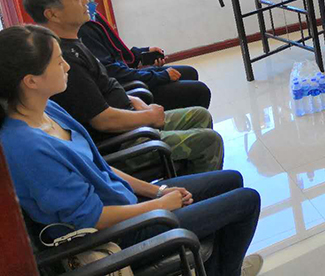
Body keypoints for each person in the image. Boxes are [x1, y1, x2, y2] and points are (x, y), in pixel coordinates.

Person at [0, 25, 263, 276]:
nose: (67, 66)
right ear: (31, 81)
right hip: (117, 233)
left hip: (125, 202)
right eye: (59, 62)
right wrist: (159, 206)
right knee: (247, 201)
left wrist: (157, 191)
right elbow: (91, 218)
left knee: (231, 180)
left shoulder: (47, 109)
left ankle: (216, 268)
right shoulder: (26, 148)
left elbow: (99, 166)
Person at [22, 0, 224, 174]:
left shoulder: (75, 44)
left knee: (200, 115)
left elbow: (101, 89)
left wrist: (132, 100)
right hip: (123, 141)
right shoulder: (66, 59)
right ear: (53, 14)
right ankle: (199, 187)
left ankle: (192, 179)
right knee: (209, 141)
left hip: (129, 118)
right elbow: (103, 120)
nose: (84, 1)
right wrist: (148, 117)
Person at [54, 0, 211, 111]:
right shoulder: (81, 26)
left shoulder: (91, 12)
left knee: (189, 72)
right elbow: (112, 72)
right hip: (124, 89)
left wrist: (140, 54)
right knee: (199, 90)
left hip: (125, 77)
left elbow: (114, 55)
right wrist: (159, 76)